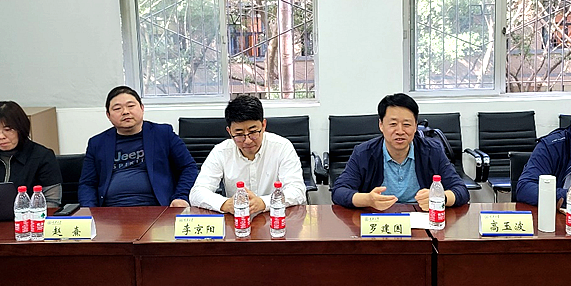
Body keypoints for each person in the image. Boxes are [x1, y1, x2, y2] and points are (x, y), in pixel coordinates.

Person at [331, 93, 469, 210]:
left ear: (415, 126)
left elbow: (461, 190)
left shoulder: (433, 151)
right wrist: (367, 199)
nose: (400, 131)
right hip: (379, 219)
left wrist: (440, 197)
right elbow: (339, 191)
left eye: (407, 124)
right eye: (393, 124)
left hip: (420, 219)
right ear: (381, 125)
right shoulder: (363, 153)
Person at [78, 86, 198, 207]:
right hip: (111, 210)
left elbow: (188, 167)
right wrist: (90, 210)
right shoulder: (97, 143)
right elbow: (87, 183)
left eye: (131, 106)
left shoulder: (163, 134)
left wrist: (181, 196)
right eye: (117, 108)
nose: (125, 112)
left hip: (157, 208)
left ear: (142, 108)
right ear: (108, 115)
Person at [189, 95, 306, 213]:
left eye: (253, 132)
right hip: (238, 218)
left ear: (263, 125)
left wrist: (263, 202)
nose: (248, 140)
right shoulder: (221, 152)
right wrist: (225, 204)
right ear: (229, 131)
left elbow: (297, 191)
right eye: (239, 134)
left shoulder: (282, 147)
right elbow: (197, 193)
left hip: (275, 217)